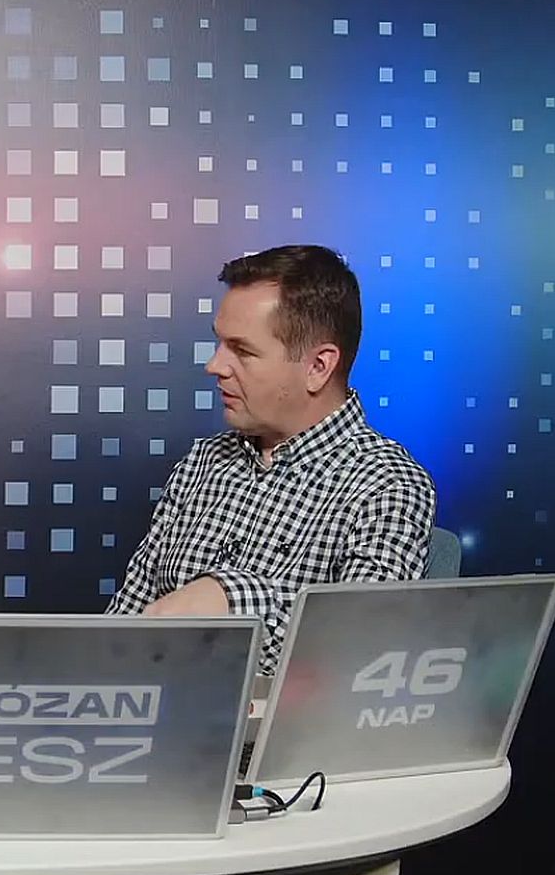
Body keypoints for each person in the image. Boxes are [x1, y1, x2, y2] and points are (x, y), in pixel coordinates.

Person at [106, 245, 436, 672]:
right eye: (219, 343)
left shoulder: (387, 485)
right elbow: (124, 624)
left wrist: (231, 599)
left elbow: (358, 654)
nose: (214, 366)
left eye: (242, 351)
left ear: (318, 367)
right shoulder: (202, 462)